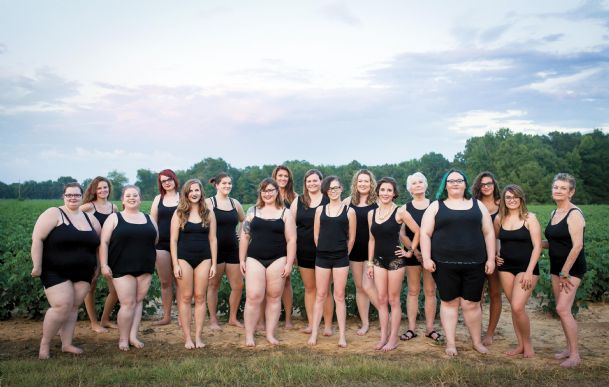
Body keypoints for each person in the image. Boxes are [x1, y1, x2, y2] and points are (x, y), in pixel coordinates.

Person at [420, 169, 495, 356]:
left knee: (472, 304)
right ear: (445, 185)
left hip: (475, 264)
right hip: (444, 264)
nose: (455, 183)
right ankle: (451, 344)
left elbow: (489, 233)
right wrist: (427, 258)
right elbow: (425, 233)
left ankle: (476, 342)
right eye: (451, 181)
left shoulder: (478, 205)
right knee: (449, 303)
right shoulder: (436, 206)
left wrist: (491, 258)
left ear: (465, 184)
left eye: (459, 180)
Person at [31, 182, 101, 359]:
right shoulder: (54, 213)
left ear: (81, 196)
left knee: (73, 307)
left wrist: (98, 267)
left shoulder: (90, 219)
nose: (73, 198)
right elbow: (37, 239)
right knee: (61, 306)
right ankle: (45, 344)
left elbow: (98, 246)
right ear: (63, 196)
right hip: (55, 270)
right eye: (69, 195)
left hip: (84, 272)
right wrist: (37, 265)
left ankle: (67, 344)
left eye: (76, 195)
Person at [100, 185, 158, 351]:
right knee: (127, 303)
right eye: (128, 195)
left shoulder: (149, 218)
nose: (132, 198)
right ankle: (123, 339)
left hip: (145, 265)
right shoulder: (114, 218)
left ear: (140, 199)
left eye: (135, 195)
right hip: (121, 265)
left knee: (138, 302)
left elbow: (155, 239)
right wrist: (104, 264)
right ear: (123, 199)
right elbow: (104, 242)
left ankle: (133, 336)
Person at [240, 178, 296, 346]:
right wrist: (241, 259)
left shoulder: (285, 213)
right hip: (254, 258)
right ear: (260, 193)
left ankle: (270, 334)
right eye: (264, 191)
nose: (267, 194)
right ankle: (249, 335)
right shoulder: (252, 212)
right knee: (253, 296)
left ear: (277, 192)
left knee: (274, 296)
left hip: (278, 258)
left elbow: (292, 240)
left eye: (271, 190)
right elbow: (244, 236)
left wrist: (289, 263)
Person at [367, 177, 420, 352]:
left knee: (393, 300)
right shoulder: (371, 214)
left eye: (389, 190)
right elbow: (372, 239)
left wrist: (410, 251)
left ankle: (393, 339)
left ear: (394, 193)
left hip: (396, 261)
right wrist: (369, 263)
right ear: (378, 192)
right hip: (378, 261)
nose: (385, 193)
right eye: (383, 190)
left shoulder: (400, 212)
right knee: (381, 300)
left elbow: (418, 230)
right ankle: (384, 336)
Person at [542, 173, 586, 368]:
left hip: (571, 270)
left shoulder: (574, 214)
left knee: (562, 309)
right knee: (563, 310)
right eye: (556, 187)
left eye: (563, 188)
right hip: (556, 268)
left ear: (571, 192)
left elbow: (577, 246)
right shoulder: (554, 213)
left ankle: (575, 355)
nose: (558, 190)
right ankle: (568, 349)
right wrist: (530, 242)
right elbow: (552, 243)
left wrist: (565, 271)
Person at [307, 176, 356, 347]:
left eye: (336, 188)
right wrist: (323, 249)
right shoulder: (320, 210)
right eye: (330, 189)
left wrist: (343, 254)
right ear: (326, 191)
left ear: (342, 188)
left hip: (341, 258)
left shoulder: (349, 212)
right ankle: (314, 334)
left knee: (339, 296)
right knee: (320, 295)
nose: (333, 191)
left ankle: (342, 336)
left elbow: (351, 238)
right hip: (322, 258)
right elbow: (316, 235)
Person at [494, 184, 541, 358]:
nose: (512, 200)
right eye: (508, 197)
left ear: (521, 198)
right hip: (505, 267)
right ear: (504, 200)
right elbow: (497, 239)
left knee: (517, 306)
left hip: (526, 268)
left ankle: (528, 345)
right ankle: (520, 345)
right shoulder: (499, 218)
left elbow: (537, 247)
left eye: (515, 197)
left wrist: (529, 271)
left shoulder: (530, 218)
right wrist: (497, 253)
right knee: (514, 308)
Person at [170, 179, 217, 349]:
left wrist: (213, 263)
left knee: (200, 297)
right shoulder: (179, 213)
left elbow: (213, 239)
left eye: (197, 190)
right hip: (184, 258)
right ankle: (187, 338)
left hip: (204, 258)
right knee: (185, 297)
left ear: (201, 192)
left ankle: (198, 337)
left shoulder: (209, 213)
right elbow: (173, 240)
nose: (194, 193)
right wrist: (175, 264)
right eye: (191, 191)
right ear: (186, 193)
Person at [291, 169, 334, 335]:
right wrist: (293, 252)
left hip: (326, 251)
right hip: (304, 250)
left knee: (325, 290)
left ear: (321, 182)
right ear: (305, 183)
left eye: (315, 180)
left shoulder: (328, 200)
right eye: (309, 181)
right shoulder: (298, 201)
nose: (312, 184)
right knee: (310, 288)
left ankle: (328, 325)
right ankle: (311, 324)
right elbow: (292, 227)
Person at [399, 172, 440, 342]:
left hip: (432, 254)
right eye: (414, 183)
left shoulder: (435, 205)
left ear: (425, 184)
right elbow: (402, 234)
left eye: (420, 182)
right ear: (410, 188)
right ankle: (411, 329)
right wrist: (414, 250)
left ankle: (430, 329)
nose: (417, 185)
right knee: (413, 291)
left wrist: (427, 253)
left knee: (430, 291)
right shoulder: (405, 208)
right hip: (412, 253)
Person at [206, 173, 245, 329]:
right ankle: (213, 319)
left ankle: (233, 318)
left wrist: (241, 235)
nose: (227, 186)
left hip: (233, 249)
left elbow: (243, 220)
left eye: (229, 183)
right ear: (216, 185)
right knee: (213, 285)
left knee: (238, 286)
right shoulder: (209, 203)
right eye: (224, 183)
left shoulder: (235, 203)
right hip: (215, 250)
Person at [80, 176, 119, 333]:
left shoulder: (113, 208)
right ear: (94, 190)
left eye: (105, 187)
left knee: (115, 289)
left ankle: (105, 319)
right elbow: (69, 212)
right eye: (100, 188)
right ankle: (94, 323)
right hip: (91, 251)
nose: (103, 190)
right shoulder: (88, 207)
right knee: (91, 287)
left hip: (110, 251)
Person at [345, 169, 379, 335]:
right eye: (360, 181)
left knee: (369, 286)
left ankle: (386, 316)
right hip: (354, 250)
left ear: (371, 183)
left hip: (372, 250)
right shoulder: (348, 202)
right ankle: (365, 323)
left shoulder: (378, 202)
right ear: (355, 184)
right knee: (360, 287)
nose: (363, 184)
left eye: (366, 181)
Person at [472, 171, 502, 346]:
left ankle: (490, 333)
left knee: (495, 293)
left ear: (494, 185)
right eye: (483, 185)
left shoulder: (502, 204)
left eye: (489, 184)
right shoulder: (474, 204)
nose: (486, 187)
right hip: (477, 253)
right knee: (477, 295)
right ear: (478, 187)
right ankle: (477, 330)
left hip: (497, 253)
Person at [150, 169, 179, 325]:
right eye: (163, 181)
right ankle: (167, 316)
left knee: (180, 281)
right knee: (165, 282)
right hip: (161, 245)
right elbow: (153, 223)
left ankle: (183, 316)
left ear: (174, 179)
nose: (167, 182)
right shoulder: (158, 199)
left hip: (180, 244)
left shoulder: (183, 198)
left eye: (169, 179)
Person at [271, 165, 297, 329]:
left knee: (286, 281)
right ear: (275, 177)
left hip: (286, 243)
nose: (282, 178)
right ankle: (264, 319)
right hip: (269, 242)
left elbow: (297, 224)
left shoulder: (294, 198)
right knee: (267, 283)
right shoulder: (267, 194)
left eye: (285, 176)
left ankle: (287, 319)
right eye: (280, 175)